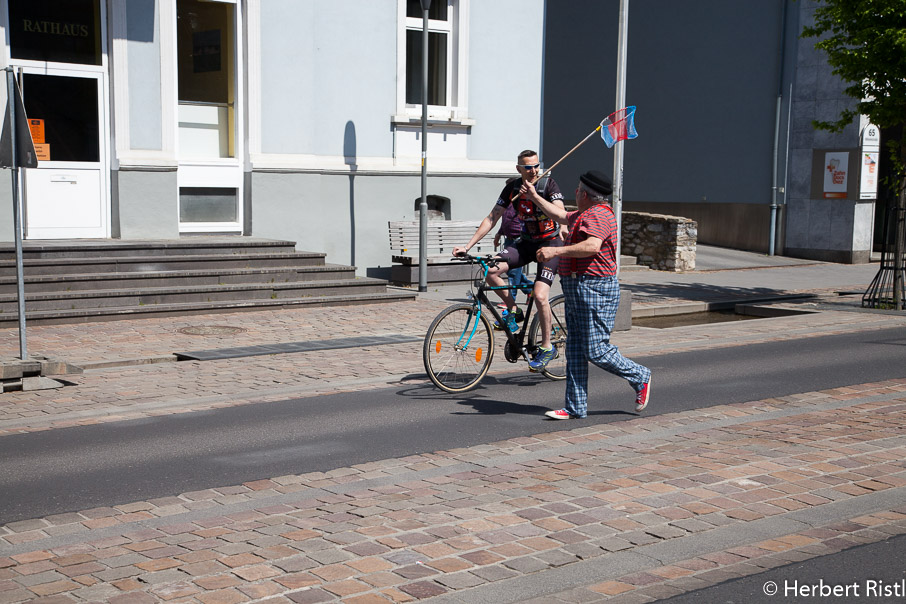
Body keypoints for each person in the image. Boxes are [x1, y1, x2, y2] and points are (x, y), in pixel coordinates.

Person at [528, 169, 652, 418]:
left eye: (577, 189)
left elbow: (592, 246)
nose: (574, 192)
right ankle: (575, 407)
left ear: (585, 194)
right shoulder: (584, 213)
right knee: (574, 348)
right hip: (576, 285)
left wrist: (555, 252)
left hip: (594, 287)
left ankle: (640, 376)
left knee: (596, 349)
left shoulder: (599, 215)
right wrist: (534, 196)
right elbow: (561, 215)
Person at [452, 150, 565, 372]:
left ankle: (546, 346)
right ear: (518, 169)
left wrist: (535, 197)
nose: (533, 171)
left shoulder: (548, 185)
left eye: (535, 166)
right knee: (490, 270)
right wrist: (467, 246)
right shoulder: (513, 187)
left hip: (550, 246)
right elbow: (492, 217)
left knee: (541, 295)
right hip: (525, 243)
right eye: (528, 167)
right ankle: (514, 309)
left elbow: (560, 214)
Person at [493, 203, 535, 299]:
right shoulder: (507, 202)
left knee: (513, 272)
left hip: (519, 239)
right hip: (509, 239)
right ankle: (530, 289)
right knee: (511, 271)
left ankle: (511, 300)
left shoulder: (522, 202)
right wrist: (499, 234)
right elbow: (505, 221)